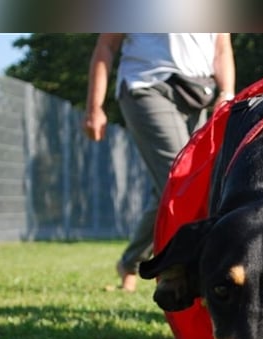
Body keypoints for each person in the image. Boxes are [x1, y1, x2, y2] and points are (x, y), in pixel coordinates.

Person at [83, 33, 236, 292]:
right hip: (145, 85)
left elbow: (221, 48)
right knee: (184, 181)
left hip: (197, 94)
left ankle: (131, 262)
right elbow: (106, 46)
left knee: (168, 190)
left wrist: (227, 91)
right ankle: (193, 277)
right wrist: (94, 107)